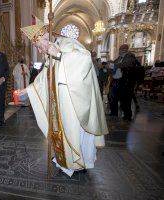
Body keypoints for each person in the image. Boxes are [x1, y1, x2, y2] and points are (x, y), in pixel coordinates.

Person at [19, 18, 108, 177]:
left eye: (39, 46)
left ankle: (78, 162)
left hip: (74, 102)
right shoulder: (49, 54)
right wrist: (27, 90)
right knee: (63, 130)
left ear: (45, 38)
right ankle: (65, 160)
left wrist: (60, 54)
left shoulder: (66, 44)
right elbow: (42, 79)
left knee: (74, 132)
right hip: (60, 102)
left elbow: (85, 59)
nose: (40, 51)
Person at [113, 44, 139, 120]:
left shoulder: (130, 56)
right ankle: (124, 112)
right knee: (122, 97)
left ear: (124, 49)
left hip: (128, 80)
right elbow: (115, 63)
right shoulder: (120, 57)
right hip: (120, 80)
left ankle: (128, 115)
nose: (119, 51)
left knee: (127, 97)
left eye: (120, 49)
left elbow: (125, 64)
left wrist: (113, 65)